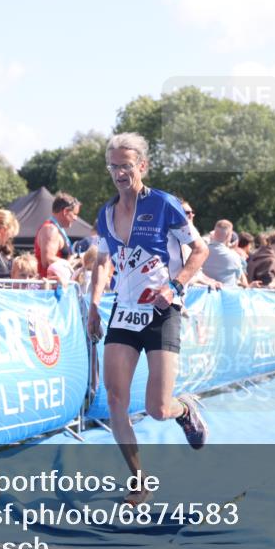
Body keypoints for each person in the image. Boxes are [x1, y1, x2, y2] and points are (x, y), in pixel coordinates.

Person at [86, 132, 209, 505]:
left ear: (142, 165)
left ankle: (184, 409)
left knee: (157, 409)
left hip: (161, 311)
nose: (119, 172)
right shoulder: (106, 213)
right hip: (123, 312)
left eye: (126, 165)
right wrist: (93, 305)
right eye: (113, 166)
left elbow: (199, 250)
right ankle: (139, 481)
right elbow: (103, 262)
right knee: (116, 399)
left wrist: (175, 285)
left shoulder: (164, 205)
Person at [35, 192, 82, 283]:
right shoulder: (50, 229)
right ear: (65, 211)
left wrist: (75, 260)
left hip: (56, 285)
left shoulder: (55, 229)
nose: (76, 218)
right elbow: (47, 260)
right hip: (48, 288)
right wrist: (72, 263)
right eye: (75, 214)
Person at [202, 219, 247, 287]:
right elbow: (241, 279)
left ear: (214, 233)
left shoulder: (201, 253)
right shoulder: (234, 256)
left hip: (203, 295)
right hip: (226, 296)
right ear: (229, 235)